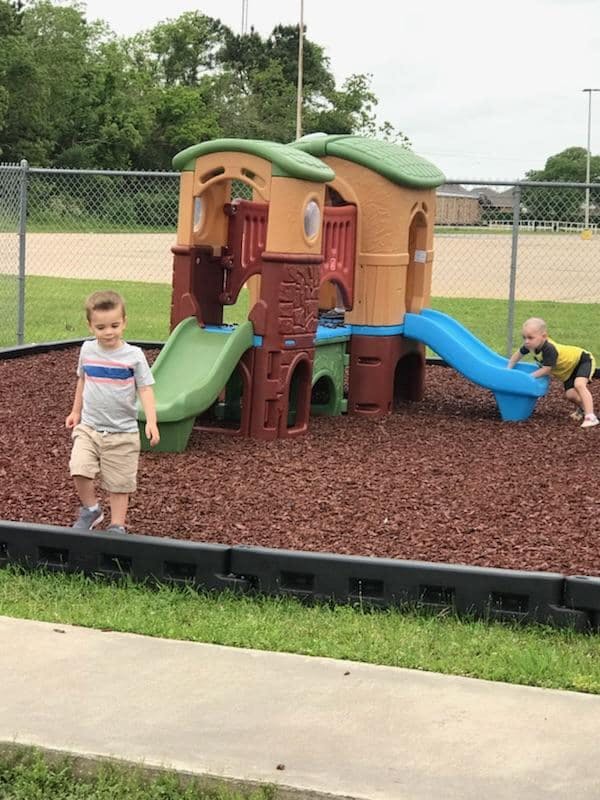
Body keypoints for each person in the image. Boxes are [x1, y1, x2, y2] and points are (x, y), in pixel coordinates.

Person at [65, 290, 160, 533]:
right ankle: (91, 510)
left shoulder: (133, 356)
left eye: (114, 325)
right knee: (79, 467)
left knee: (119, 484)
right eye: (101, 327)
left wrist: (151, 421)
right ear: (90, 326)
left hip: (122, 432)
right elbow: (82, 380)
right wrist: (76, 412)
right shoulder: (87, 350)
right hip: (89, 427)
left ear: (124, 322)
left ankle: (117, 525)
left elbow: (146, 389)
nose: (108, 332)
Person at [507, 317, 598, 428]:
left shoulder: (549, 348)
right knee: (571, 395)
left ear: (544, 336)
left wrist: (528, 377)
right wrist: (508, 369)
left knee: (579, 384)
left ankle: (590, 416)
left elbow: (546, 370)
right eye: (524, 337)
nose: (526, 341)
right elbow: (518, 355)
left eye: (530, 337)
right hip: (568, 371)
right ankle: (584, 409)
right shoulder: (531, 345)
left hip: (581, 360)